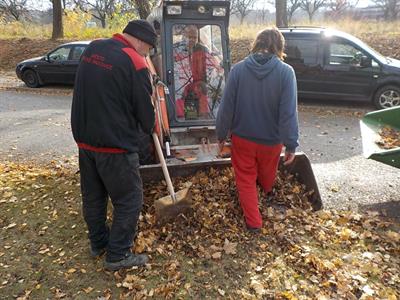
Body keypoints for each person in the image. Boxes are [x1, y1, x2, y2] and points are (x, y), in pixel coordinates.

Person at [71, 20, 156, 271]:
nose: (147, 54)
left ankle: (98, 243)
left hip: (86, 141)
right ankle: (118, 255)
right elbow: (146, 118)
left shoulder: (92, 49)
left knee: (94, 196)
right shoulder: (136, 62)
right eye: (148, 48)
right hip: (116, 146)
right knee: (129, 200)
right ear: (141, 41)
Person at [216, 27, 299, 233]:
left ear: (256, 44)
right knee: (267, 173)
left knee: (245, 179)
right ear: (279, 47)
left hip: (242, 138)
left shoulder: (237, 70)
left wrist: (221, 134)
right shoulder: (286, 73)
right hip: (271, 141)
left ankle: (254, 223)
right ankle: (266, 191)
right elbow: (288, 112)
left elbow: (226, 107)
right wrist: (291, 144)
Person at [173, 25, 224, 120]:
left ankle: (202, 122)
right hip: (179, 88)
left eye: (194, 37)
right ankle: (185, 121)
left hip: (198, 87)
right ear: (183, 36)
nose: (192, 40)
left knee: (204, 110)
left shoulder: (203, 50)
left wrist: (218, 70)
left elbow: (213, 66)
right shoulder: (175, 50)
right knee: (183, 113)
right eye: (189, 37)